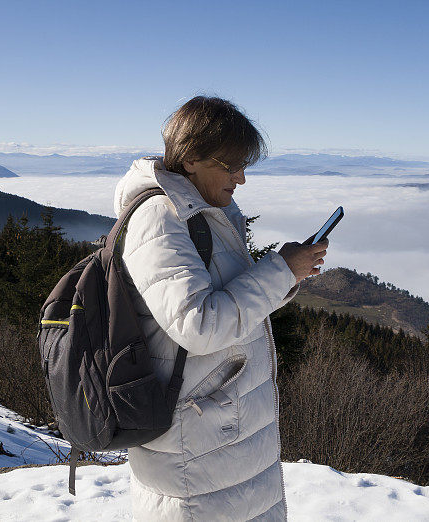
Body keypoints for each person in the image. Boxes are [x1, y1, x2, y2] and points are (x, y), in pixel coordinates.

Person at [112, 96, 329, 521]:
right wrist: (280, 271)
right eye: (230, 165)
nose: (241, 178)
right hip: (195, 452)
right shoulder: (160, 217)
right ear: (191, 158)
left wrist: (288, 275)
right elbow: (199, 324)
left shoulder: (205, 211)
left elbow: (228, 298)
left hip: (221, 435)